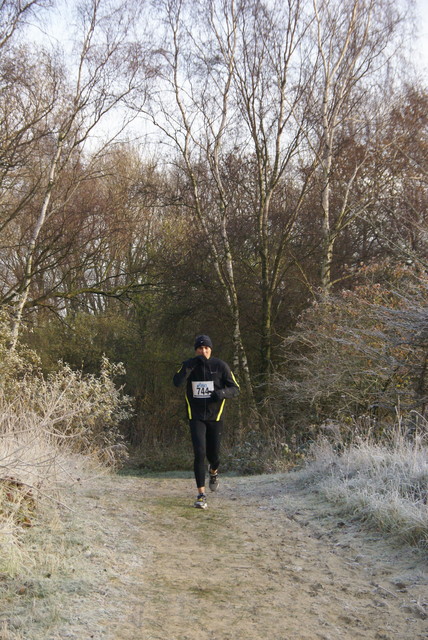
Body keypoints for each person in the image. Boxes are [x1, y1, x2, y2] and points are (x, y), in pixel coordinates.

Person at [173, 334, 240, 509]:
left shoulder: (220, 366)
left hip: (215, 417)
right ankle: (201, 494)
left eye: (206, 348)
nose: (203, 351)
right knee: (199, 453)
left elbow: (235, 388)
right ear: (195, 350)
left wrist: (221, 393)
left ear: (211, 349)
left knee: (214, 456)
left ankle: (214, 471)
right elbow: (177, 383)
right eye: (200, 348)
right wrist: (188, 367)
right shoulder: (189, 364)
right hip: (196, 417)